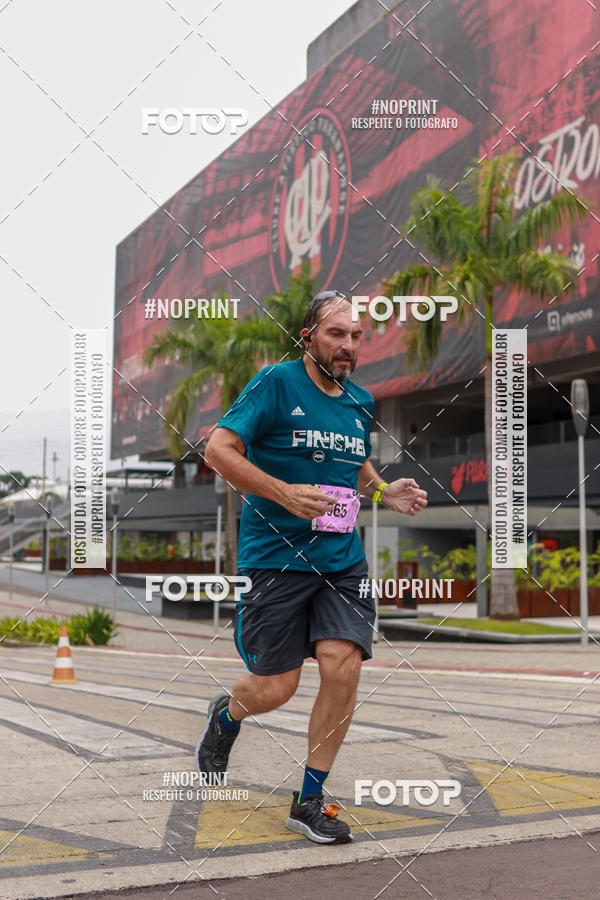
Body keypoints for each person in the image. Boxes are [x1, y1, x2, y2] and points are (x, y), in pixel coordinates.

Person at [196, 290, 428, 844]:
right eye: (336, 334)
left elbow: (353, 459)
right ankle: (227, 716)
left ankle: (309, 800)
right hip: (275, 559)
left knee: (343, 664)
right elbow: (218, 450)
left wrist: (382, 491)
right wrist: (283, 493)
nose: (347, 346)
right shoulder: (275, 383)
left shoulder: (359, 400)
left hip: (341, 561)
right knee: (276, 688)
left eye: (355, 336)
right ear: (308, 337)